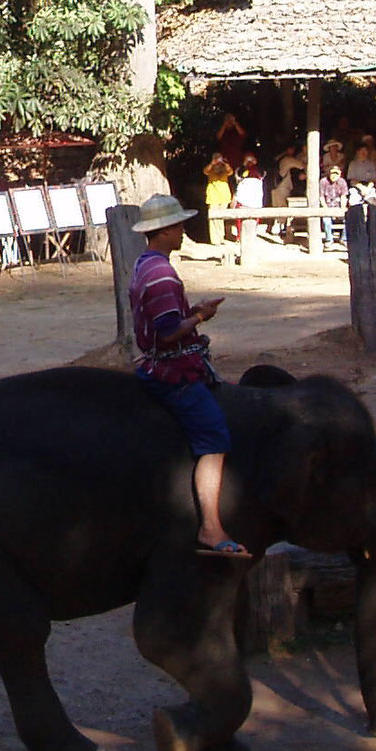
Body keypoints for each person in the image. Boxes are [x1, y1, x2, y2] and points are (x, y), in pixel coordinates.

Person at [127, 194, 243, 557]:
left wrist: (192, 311)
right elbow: (167, 332)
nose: (182, 232)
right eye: (177, 226)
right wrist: (200, 319)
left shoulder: (146, 265)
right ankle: (210, 527)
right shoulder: (160, 272)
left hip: (159, 363)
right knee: (214, 436)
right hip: (171, 370)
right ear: (163, 231)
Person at [202, 156, 233, 245]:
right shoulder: (210, 169)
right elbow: (205, 171)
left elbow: (230, 171)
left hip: (224, 196)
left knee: (221, 218)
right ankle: (215, 240)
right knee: (213, 218)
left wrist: (224, 163)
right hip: (213, 197)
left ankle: (221, 237)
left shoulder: (225, 169)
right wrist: (213, 163)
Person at [319, 164, 349, 247]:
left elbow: (343, 196)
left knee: (349, 218)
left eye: (336, 174)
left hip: (338, 207)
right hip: (327, 206)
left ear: (339, 174)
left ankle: (344, 239)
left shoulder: (342, 182)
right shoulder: (323, 181)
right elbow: (321, 197)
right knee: (326, 220)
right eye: (332, 173)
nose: (334, 175)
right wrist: (326, 209)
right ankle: (329, 239)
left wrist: (342, 209)